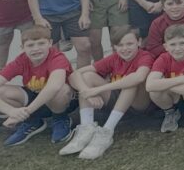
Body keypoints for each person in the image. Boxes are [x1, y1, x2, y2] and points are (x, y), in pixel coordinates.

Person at [0, 25, 77, 146]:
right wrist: (12, 112)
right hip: (35, 99)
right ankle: (33, 122)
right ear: (22, 48)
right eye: (30, 45)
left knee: (61, 89)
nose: (36, 49)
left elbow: (54, 86)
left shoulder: (57, 58)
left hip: (62, 101)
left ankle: (60, 118)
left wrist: (27, 111)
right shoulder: (21, 60)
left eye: (41, 43)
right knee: (0, 91)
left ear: (50, 43)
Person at [63, 25, 153, 158]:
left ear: (139, 42)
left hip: (138, 104)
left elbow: (139, 77)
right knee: (87, 77)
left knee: (131, 82)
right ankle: (86, 129)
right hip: (117, 101)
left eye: (129, 44)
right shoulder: (114, 58)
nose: (125, 48)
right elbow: (74, 75)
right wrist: (86, 91)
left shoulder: (145, 56)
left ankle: (106, 131)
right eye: (120, 45)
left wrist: (98, 90)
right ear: (115, 47)